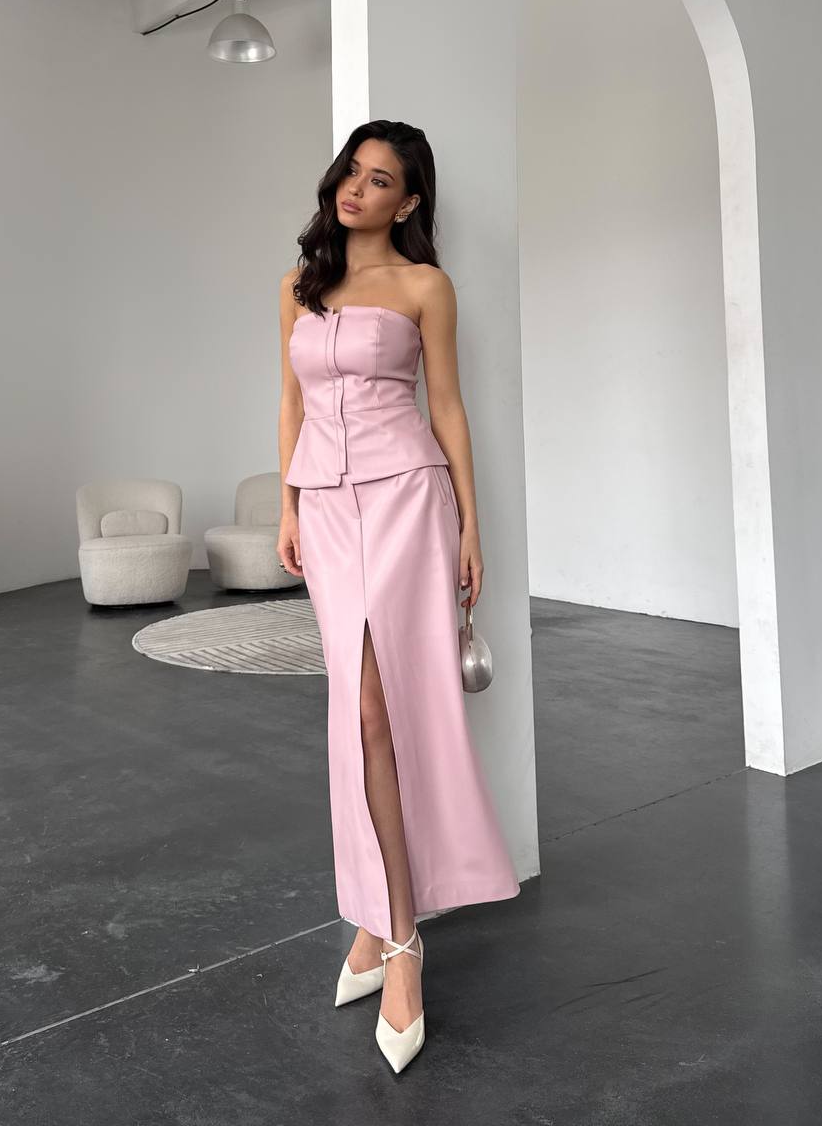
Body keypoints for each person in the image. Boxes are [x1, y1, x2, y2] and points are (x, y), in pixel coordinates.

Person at [276, 120, 519, 1074]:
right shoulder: (299, 285)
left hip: (411, 499)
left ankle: (404, 939)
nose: (358, 190)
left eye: (381, 181)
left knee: (395, 709)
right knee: (356, 713)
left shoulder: (426, 287)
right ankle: (378, 918)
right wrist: (288, 505)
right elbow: (289, 403)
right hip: (328, 516)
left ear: (409, 202)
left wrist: (472, 524)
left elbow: (449, 407)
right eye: (352, 171)